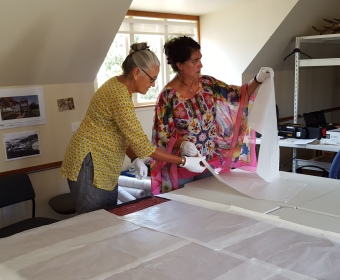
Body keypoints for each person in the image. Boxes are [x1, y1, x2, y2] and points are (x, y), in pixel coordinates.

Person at [60, 42, 206, 214]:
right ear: (137, 72)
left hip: (102, 162)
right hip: (91, 163)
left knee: (109, 216)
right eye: (152, 79)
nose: (152, 85)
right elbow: (143, 144)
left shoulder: (120, 88)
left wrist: (134, 158)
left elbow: (123, 132)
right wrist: (185, 161)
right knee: (95, 221)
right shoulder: (119, 95)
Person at [150, 36, 272, 194]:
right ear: (180, 65)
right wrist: (183, 145)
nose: (200, 65)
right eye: (195, 61)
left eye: (200, 59)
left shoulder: (208, 85)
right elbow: (161, 136)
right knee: (184, 211)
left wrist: (257, 80)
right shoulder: (168, 97)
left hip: (208, 164)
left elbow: (238, 95)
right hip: (183, 166)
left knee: (209, 206)